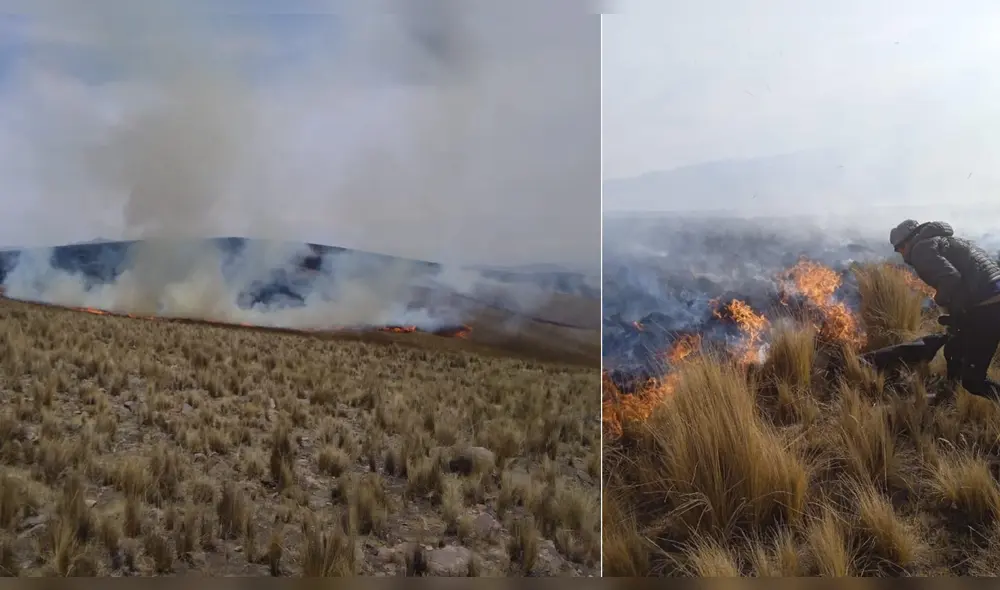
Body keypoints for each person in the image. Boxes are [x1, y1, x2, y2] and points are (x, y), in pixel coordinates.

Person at [889, 220, 1000, 400]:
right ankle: (949, 398)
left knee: (974, 381)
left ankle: (954, 395)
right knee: (953, 350)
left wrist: (940, 300)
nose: (901, 253)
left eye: (900, 248)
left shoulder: (920, 249)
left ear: (908, 241)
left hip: (987, 306)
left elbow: (951, 279)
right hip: (987, 301)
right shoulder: (944, 241)